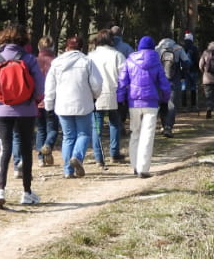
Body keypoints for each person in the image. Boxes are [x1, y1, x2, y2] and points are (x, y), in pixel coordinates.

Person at [0, 23, 45, 208]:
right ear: (23, 39)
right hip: (26, 110)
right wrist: (32, 99)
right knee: (26, 149)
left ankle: (0, 190)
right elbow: (40, 88)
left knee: (5, 148)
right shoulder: (29, 59)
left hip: (3, 109)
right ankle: (26, 192)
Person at [45, 35, 103, 179]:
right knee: (83, 134)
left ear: (66, 47)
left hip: (62, 105)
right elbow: (97, 83)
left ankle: (67, 171)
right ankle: (76, 157)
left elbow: (50, 86)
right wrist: (95, 96)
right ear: (81, 48)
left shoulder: (56, 62)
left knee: (68, 137)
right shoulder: (87, 61)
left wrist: (49, 104)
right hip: (83, 103)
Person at [117, 36, 172, 178]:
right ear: (153, 47)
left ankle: (135, 166)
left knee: (135, 133)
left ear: (139, 47)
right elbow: (164, 84)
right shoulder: (156, 61)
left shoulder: (129, 60)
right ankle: (143, 168)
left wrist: (120, 99)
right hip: (152, 103)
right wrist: (165, 99)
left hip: (133, 102)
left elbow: (122, 81)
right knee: (147, 135)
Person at [88, 30, 127, 165]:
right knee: (114, 123)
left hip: (95, 94)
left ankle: (99, 157)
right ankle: (114, 153)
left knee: (96, 126)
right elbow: (123, 76)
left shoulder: (90, 56)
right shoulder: (117, 55)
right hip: (113, 93)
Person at [156, 37, 189, 138]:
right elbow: (186, 63)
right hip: (174, 79)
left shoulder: (157, 49)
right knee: (172, 104)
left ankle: (163, 125)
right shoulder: (178, 48)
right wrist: (183, 75)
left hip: (159, 80)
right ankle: (168, 127)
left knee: (162, 103)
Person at [35, 36, 60, 166]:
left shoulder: (34, 61)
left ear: (39, 47)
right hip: (53, 100)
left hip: (37, 101)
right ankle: (48, 145)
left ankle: (40, 158)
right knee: (53, 129)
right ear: (53, 47)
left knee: (40, 129)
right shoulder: (56, 62)